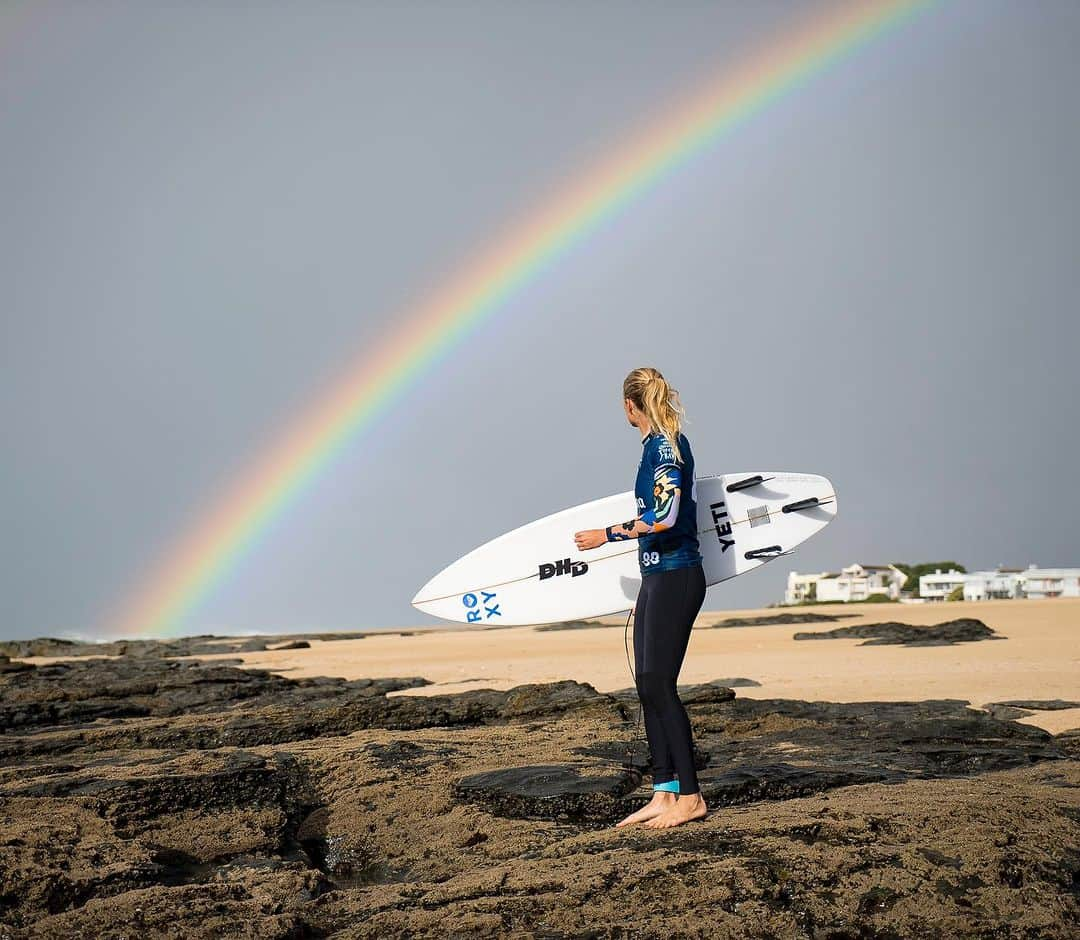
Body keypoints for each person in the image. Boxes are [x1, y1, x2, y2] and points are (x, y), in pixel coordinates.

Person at [574, 367, 708, 829]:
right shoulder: (652, 447)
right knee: (647, 684)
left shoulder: (668, 447)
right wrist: (645, 588)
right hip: (656, 578)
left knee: (660, 683)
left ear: (630, 406)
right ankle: (664, 791)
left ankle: (691, 796)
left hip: (678, 574)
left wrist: (605, 535)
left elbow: (667, 516)